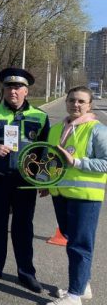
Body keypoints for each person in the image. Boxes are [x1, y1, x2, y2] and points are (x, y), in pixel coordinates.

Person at [0, 67, 50, 292]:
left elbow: (47, 152)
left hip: (26, 181)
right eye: (9, 87)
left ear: (26, 91)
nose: (13, 91)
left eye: (18, 87)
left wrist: (43, 180)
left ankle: (26, 274)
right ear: (3, 90)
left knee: (23, 228)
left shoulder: (41, 116)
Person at [45, 86, 107, 305]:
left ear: (90, 105)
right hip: (60, 194)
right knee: (73, 241)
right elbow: (51, 160)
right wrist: (46, 182)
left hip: (85, 196)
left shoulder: (96, 130)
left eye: (81, 101)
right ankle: (83, 286)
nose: (76, 104)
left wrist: (77, 162)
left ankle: (73, 297)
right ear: (66, 102)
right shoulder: (56, 129)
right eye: (72, 100)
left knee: (79, 245)